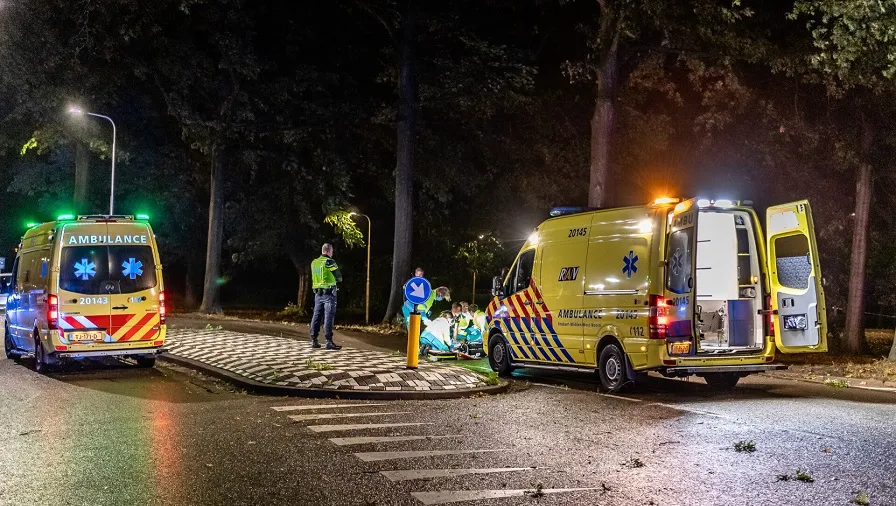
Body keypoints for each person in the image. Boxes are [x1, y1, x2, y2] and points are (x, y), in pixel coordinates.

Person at [309, 243, 342, 350]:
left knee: (316, 316)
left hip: (317, 294)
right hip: (329, 294)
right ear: (328, 251)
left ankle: (314, 339)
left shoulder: (314, 263)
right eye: (332, 251)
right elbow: (339, 276)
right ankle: (328, 341)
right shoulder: (329, 261)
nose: (332, 253)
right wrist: (336, 280)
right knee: (328, 316)